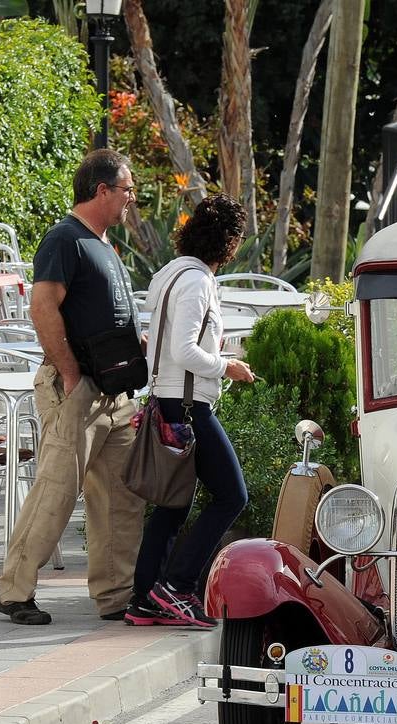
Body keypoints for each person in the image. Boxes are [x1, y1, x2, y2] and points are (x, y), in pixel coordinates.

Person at [0, 149, 146, 625]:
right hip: (77, 389)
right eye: (127, 190)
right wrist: (71, 374)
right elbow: (43, 307)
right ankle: (13, 591)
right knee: (57, 491)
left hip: (115, 394)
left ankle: (115, 595)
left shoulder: (103, 245)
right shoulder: (65, 238)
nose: (131, 199)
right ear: (102, 190)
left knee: (122, 496)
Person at [125, 194, 255, 628]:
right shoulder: (197, 280)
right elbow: (184, 350)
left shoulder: (172, 274)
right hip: (188, 406)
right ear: (229, 241)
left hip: (167, 400)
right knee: (232, 495)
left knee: (173, 501)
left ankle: (145, 598)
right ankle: (177, 587)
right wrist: (226, 365)